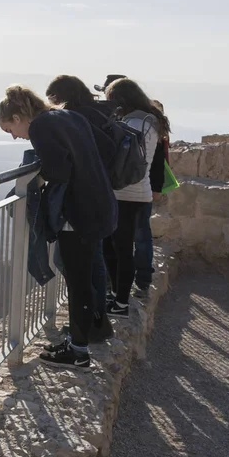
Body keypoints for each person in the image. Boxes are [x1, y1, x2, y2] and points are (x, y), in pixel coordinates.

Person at [0, 85, 117, 369]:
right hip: (100, 203)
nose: (15, 136)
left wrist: (39, 174)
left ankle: (78, 351)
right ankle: (83, 338)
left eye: (10, 129)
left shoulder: (40, 127)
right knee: (83, 277)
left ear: (17, 117)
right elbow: (107, 149)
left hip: (79, 213)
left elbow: (58, 171)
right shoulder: (67, 117)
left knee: (78, 281)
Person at [45, 75, 117, 342]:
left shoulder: (77, 116)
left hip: (85, 201)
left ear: (61, 95)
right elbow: (108, 150)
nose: (50, 103)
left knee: (75, 265)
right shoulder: (97, 112)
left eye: (52, 97)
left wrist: (86, 172)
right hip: (100, 196)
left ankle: (90, 323)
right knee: (93, 261)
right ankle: (97, 320)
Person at [103, 79, 171, 317]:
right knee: (117, 247)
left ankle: (120, 302)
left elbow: (116, 154)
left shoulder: (133, 122)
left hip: (125, 194)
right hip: (136, 193)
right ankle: (118, 298)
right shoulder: (149, 121)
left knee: (119, 249)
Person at [133, 99, 171, 297]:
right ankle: (143, 279)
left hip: (140, 190)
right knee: (142, 235)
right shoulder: (156, 130)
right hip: (145, 190)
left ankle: (141, 279)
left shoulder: (149, 130)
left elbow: (157, 163)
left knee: (139, 236)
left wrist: (156, 187)